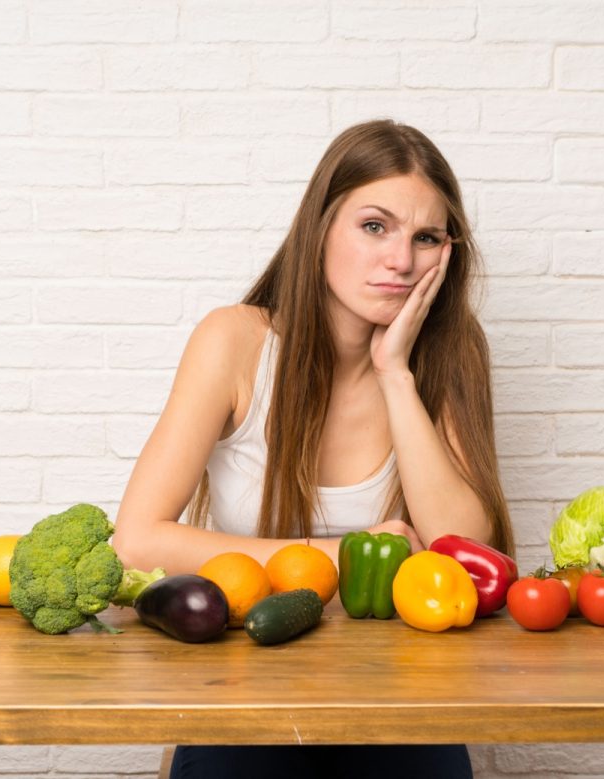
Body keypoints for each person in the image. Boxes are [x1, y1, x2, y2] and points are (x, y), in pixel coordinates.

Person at [112, 119, 513, 779]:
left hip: (404, 694)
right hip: (243, 683)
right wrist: (346, 559)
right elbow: (137, 541)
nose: (401, 261)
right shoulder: (234, 343)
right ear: (320, 226)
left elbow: (462, 550)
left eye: (426, 237)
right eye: (374, 226)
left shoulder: (452, 352)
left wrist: (395, 374)